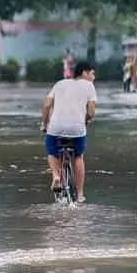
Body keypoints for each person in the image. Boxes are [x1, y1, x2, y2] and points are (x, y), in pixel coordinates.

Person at [40, 61, 97, 204]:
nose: (93, 77)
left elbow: (47, 105)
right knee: (78, 156)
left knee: (52, 151)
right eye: (92, 73)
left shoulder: (59, 84)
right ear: (84, 73)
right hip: (77, 130)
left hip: (55, 128)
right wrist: (84, 121)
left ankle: (56, 176)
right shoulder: (89, 86)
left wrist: (44, 124)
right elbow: (91, 112)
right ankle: (80, 195)